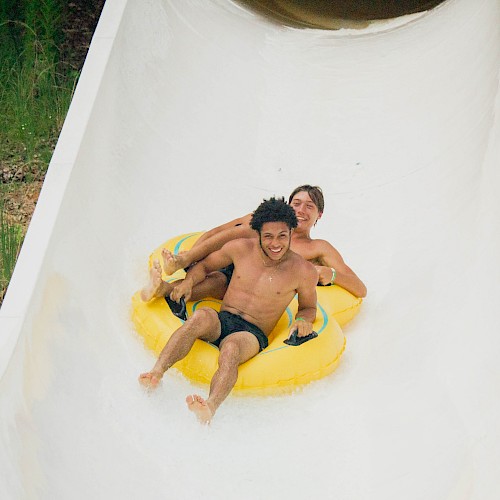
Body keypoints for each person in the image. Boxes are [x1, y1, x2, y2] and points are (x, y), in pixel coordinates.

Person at [138, 198, 318, 424]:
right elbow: (205, 266)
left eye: (282, 236)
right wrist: (188, 283)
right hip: (223, 318)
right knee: (201, 315)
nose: (276, 243)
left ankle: (209, 407)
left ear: (291, 232)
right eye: (268, 236)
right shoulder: (241, 249)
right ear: (258, 233)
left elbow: (308, 307)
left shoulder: (303, 271)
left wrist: (303, 320)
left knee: (231, 348)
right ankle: (156, 373)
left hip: (252, 334)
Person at [140, 185, 367, 303]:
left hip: (246, 284)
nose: (301, 210)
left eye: (309, 206)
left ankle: (163, 290)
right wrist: (191, 260)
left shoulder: (318, 247)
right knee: (253, 227)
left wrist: (332, 274)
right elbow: (219, 232)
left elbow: (360, 288)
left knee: (221, 282)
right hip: (223, 259)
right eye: (296, 203)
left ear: (320, 215)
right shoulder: (262, 221)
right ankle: (183, 260)